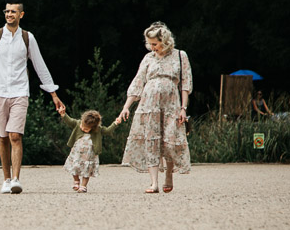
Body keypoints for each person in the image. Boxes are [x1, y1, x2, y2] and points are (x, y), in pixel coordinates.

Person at [0, 0, 65, 194]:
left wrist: (54, 94)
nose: (9, 14)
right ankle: (6, 179)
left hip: (20, 93)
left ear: (21, 14)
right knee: (3, 137)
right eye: (6, 11)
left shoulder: (28, 38)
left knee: (15, 135)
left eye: (13, 11)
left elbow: (40, 66)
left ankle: (16, 179)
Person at [117, 21, 192, 193]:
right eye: (149, 44)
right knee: (151, 141)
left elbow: (186, 83)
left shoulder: (180, 55)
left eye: (155, 44)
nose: (152, 47)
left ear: (164, 41)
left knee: (170, 141)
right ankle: (154, 183)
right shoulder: (148, 58)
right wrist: (126, 107)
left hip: (171, 105)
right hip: (149, 105)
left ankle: (169, 174)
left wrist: (183, 108)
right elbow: (138, 82)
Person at [60, 107, 121, 193]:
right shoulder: (77, 123)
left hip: (89, 155)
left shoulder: (98, 130)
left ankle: (83, 186)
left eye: (86, 129)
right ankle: (76, 180)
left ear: (93, 128)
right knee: (74, 166)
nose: (83, 129)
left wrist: (116, 123)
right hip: (77, 153)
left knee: (87, 170)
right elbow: (69, 121)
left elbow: (107, 131)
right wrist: (63, 114)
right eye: (82, 126)